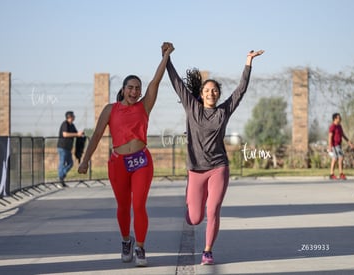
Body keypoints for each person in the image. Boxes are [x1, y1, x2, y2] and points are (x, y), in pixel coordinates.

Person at [164, 43, 264, 265]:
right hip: (196, 170)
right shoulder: (192, 107)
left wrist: (248, 63)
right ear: (201, 94)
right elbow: (176, 82)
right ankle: (193, 202)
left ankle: (207, 251)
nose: (211, 93)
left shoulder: (223, 111)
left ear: (218, 95)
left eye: (215, 90)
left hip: (219, 167)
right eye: (207, 90)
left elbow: (241, 90)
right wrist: (167, 58)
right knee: (195, 218)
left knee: (214, 209)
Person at [78, 43, 173, 267]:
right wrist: (85, 160)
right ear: (123, 89)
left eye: (137, 88)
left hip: (141, 162)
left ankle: (140, 246)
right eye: (130, 87)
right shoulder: (110, 109)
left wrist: (166, 56)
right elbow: (97, 135)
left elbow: (155, 82)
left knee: (139, 205)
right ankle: (126, 241)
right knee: (123, 206)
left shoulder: (144, 106)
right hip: (118, 163)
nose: (134, 91)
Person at [57, 111, 84, 187]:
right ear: (69, 117)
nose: (74, 117)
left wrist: (80, 134)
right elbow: (64, 134)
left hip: (68, 148)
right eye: (73, 116)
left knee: (70, 163)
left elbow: (76, 133)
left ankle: (62, 176)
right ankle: (60, 179)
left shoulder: (72, 125)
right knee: (62, 162)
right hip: (62, 147)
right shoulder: (65, 124)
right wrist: (76, 134)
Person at [328, 113, 353, 180]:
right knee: (340, 158)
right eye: (339, 118)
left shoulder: (339, 126)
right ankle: (339, 173)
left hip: (339, 145)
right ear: (335, 119)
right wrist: (330, 146)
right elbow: (330, 137)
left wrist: (349, 142)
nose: (340, 119)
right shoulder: (332, 126)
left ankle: (332, 174)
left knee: (335, 158)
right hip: (334, 145)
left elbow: (343, 135)